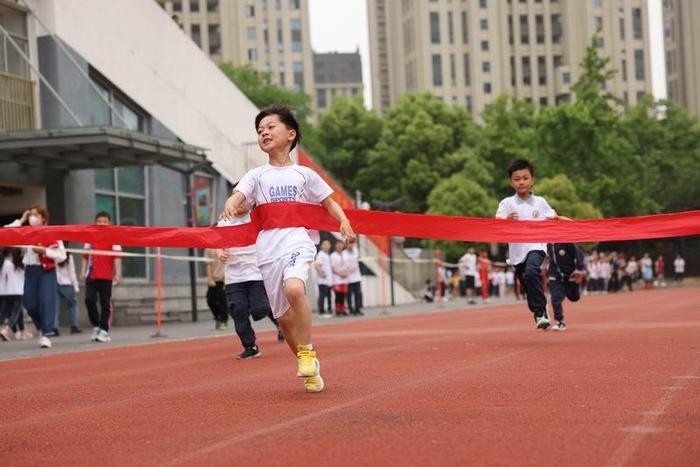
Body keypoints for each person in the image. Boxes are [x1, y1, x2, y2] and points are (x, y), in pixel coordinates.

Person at [221, 104, 356, 393]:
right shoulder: (257, 175)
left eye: (270, 127)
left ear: (290, 134)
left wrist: (343, 220)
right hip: (268, 250)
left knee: (295, 289)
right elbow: (238, 196)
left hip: (298, 241)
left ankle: (306, 351)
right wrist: (231, 206)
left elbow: (329, 202)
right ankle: (308, 363)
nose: (264, 133)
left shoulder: (305, 175)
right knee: (283, 319)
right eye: (260, 130)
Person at [495, 159, 559, 330]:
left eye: (525, 178)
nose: (521, 182)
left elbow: (556, 219)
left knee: (531, 272)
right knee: (527, 283)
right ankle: (537, 308)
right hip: (517, 253)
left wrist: (582, 227)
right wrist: (506, 221)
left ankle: (540, 312)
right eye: (517, 179)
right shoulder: (506, 204)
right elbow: (496, 224)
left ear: (532, 180)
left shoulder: (541, 202)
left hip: (537, 246)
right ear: (511, 182)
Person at [217, 201, 282, 360]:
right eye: (235, 198)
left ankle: (282, 322)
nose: (238, 203)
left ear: (251, 201)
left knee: (260, 308)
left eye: (242, 199)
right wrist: (219, 252)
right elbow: (217, 241)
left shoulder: (259, 218)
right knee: (238, 310)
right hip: (234, 276)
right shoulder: (224, 220)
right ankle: (250, 346)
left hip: (256, 273)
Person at [4, 207, 66, 348]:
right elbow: (6, 231)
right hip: (30, 270)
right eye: (31, 214)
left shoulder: (51, 233)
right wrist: (22, 219)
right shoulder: (25, 232)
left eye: (35, 215)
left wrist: (45, 251)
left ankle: (45, 333)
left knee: (46, 301)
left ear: (43, 218)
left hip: (46, 271)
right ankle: (42, 327)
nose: (32, 217)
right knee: (29, 304)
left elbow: (62, 255)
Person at [81, 211, 122, 343]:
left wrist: (117, 274)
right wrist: (82, 272)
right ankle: (96, 325)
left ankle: (104, 330)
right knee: (89, 300)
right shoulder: (91, 237)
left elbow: (117, 258)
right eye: (99, 221)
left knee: (105, 304)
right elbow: (85, 256)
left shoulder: (114, 238)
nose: (102, 224)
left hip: (106, 276)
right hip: (91, 275)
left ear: (109, 223)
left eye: (104, 221)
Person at [547, 243, 586, 331]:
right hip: (554, 275)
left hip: (569, 275)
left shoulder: (566, 242)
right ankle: (559, 321)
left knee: (574, 297)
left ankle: (576, 285)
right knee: (555, 298)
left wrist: (579, 269)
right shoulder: (547, 244)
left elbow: (578, 254)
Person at [0, 248, 25, 341]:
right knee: (15, 313)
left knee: (5, 313)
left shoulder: (4, 262)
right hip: (17, 291)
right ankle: (7, 329)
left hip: (5, 291)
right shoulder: (19, 264)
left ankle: (17, 332)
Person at [55, 254, 82, 334]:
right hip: (67, 284)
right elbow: (72, 272)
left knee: (55, 307)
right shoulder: (68, 257)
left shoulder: (53, 254)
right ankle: (74, 326)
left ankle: (54, 328)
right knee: (73, 305)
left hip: (55, 283)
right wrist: (76, 286)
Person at [204, 247, 229, 330]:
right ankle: (217, 317)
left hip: (224, 280)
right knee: (210, 300)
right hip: (214, 280)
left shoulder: (227, 246)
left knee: (222, 301)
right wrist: (210, 279)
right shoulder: (209, 248)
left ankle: (224, 321)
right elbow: (208, 264)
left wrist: (227, 278)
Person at [313, 239, 333, 318]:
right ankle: (321, 312)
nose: (326, 246)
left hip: (328, 281)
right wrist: (322, 274)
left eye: (328, 244)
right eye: (324, 244)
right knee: (322, 296)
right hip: (322, 281)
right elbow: (317, 265)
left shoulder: (327, 254)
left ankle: (327, 311)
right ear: (321, 246)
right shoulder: (321, 254)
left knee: (327, 296)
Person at [330, 240, 349, 316]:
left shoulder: (346, 254)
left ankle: (343, 309)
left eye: (340, 245)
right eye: (338, 245)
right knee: (338, 294)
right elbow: (332, 267)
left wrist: (346, 273)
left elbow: (348, 265)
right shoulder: (332, 255)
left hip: (345, 277)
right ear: (335, 246)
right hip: (336, 277)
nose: (339, 246)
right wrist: (339, 273)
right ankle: (338, 310)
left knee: (343, 294)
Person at [345, 241, 364, 316]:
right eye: (349, 244)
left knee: (358, 294)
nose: (350, 245)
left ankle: (358, 309)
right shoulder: (344, 254)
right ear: (346, 245)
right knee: (349, 294)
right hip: (348, 278)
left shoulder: (356, 251)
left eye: (352, 244)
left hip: (357, 277)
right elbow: (346, 265)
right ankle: (351, 309)